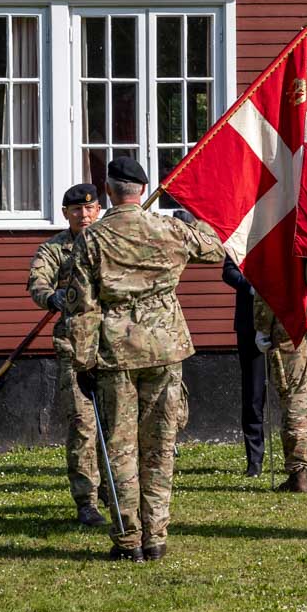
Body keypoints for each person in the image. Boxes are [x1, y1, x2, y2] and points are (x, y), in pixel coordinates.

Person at [64, 157, 225, 563]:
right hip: (165, 346)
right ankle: (156, 535)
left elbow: (82, 308)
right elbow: (214, 247)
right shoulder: (169, 228)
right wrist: (194, 214)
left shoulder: (92, 239)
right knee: (160, 445)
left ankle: (129, 540)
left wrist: (82, 361)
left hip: (116, 350)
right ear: (141, 189)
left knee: (120, 449)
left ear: (108, 190)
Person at [27, 184, 107, 527]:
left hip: (114, 343)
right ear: (65, 213)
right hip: (74, 346)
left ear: (99, 209)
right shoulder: (55, 249)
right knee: (82, 423)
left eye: (89, 209)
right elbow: (37, 283)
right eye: (76, 210)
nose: (84, 215)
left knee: (117, 421)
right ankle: (86, 499)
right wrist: (52, 297)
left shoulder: (111, 243)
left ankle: (116, 487)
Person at [254, 268, 307, 493]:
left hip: (288, 320)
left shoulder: (278, 232)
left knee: (294, 397)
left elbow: (268, 275)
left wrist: (261, 325)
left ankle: (299, 472)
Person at [221, 257, 266, 477]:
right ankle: (255, 459)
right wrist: (251, 286)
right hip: (250, 322)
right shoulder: (245, 232)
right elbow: (228, 271)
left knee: (293, 396)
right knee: (253, 395)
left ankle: (298, 463)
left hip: (285, 323)